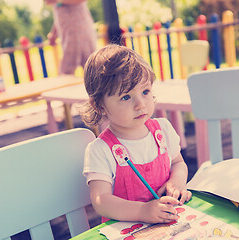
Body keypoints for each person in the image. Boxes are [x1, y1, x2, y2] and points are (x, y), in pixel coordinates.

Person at [81, 44, 192, 224]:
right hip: (125, 231)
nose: (140, 104)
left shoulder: (162, 130)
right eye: (126, 97)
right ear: (99, 106)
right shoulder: (100, 150)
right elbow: (101, 200)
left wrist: (176, 182)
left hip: (168, 223)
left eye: (145, 91)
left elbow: (178, 163)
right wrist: (142, 211)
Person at [45, 0, 96, 74]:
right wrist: (54, 33)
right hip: (68, 35)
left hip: (80, 32)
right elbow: (60, 14)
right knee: (69, 71)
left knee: (90, 68)